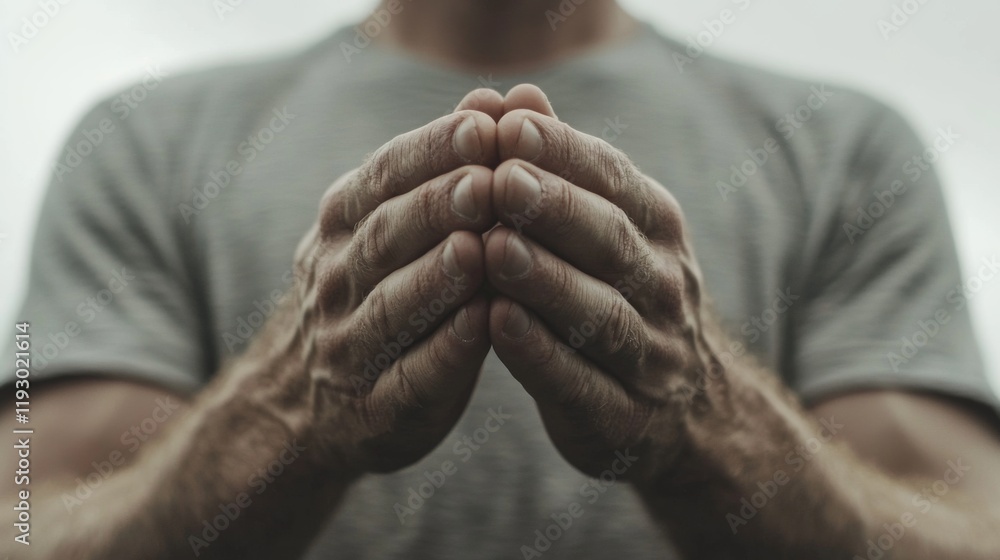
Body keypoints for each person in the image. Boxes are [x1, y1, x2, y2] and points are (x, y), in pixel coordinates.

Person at [3, 0, 1000, 558]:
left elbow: (970, 532)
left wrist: (707, 426)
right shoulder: (142, 142)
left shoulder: (850, 150)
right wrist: (284, 417)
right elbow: (24, 523)